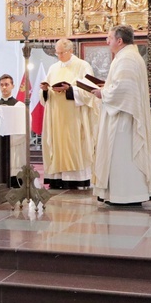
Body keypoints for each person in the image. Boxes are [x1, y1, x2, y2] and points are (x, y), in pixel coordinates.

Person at [92, 25, 151, 205]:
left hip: (124, 119)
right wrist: (106, 88)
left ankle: (125, 195)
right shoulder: (128, 56)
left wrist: (102, 93)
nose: (107, 41)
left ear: (119, 40)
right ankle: (121, 193)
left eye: (109, 38)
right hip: (122, 114)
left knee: (123, 155)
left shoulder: (127, 58)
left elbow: (124, 89)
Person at [40, 38, 100, 190]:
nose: (59, 55)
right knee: (55, 144)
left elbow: (90, 91)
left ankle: (76, 179)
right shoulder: (53, 68)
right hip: (55, 116)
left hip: (74, 116)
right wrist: (45, 90)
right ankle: (57, 178)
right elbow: (44, 98)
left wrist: (70, 89)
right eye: (57, 52)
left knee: (74, 144)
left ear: (71, 51)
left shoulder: (82, 66)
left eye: (62, 52)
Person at [0, 74, 24, 188]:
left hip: (15, 143)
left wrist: (10, 140)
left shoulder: (20, 106)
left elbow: (24, 127)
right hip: (0, 143)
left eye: (7, 84)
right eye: (2, 85)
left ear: (12, 86)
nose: (4, 87)